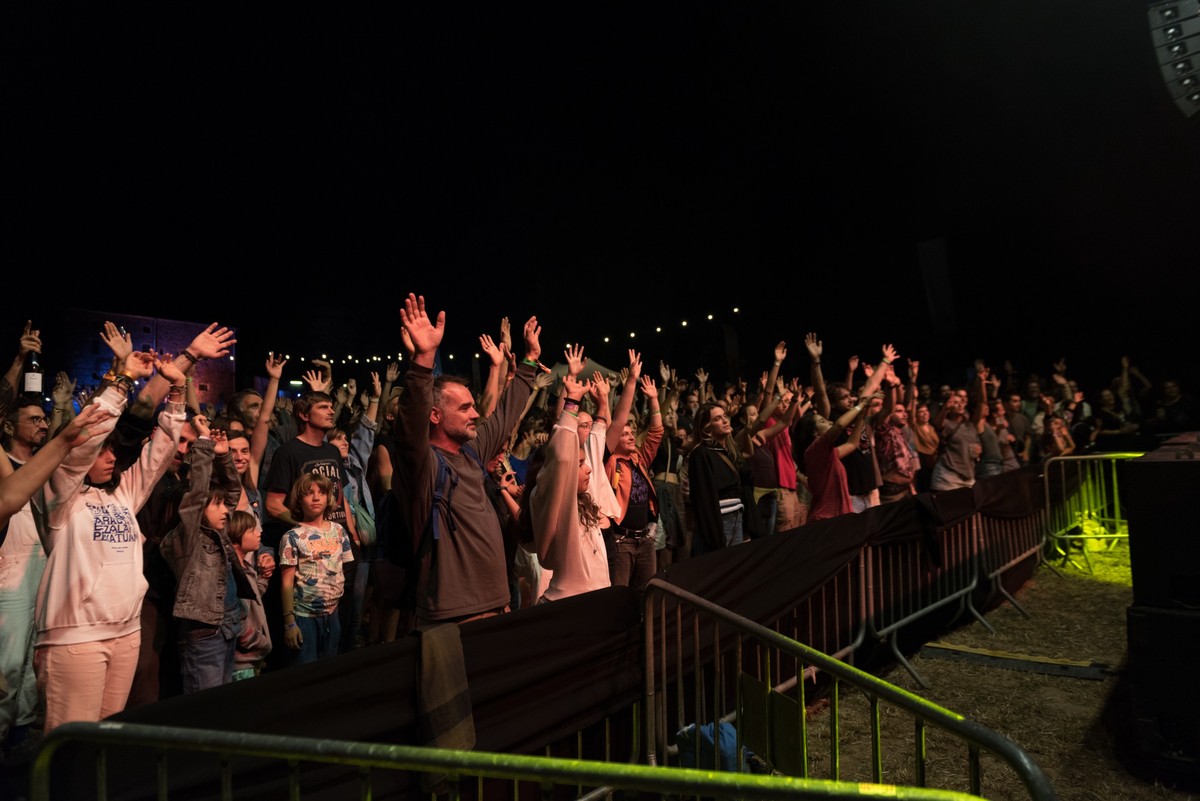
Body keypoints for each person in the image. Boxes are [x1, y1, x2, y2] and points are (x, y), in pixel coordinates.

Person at [34, 350, 187, 732]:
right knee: (70, 746)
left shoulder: (120, 497)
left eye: (111, 453)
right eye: (101, 452)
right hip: (76, 638)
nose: (109, 458)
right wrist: (121, 385)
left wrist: (178, 395)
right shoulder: (60, 500)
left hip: (125, 632)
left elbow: (157, 456)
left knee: (106, 743)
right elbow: (80, 447)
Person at [392, 293, 542, 626]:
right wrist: (423, 361)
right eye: (464, 408)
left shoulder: (472, 454)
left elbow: (504, 415)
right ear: (434, 415)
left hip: (497, 605)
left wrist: (530, 361)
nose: (476, 414)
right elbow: (408, 429)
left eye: (473, 406)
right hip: (454, 617)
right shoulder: (425, 465)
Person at [159, 422, 256, 692]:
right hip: (205, 634)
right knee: (205, 708)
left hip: (227, 626)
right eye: (218, 504)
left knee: (221, 703)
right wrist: (203, 445)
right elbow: (197, 495)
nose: (226, 510)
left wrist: (223, 455)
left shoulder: (218, 531)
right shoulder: (188, 539)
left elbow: (234, 492)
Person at [524, 374, 610, 602]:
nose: (589, 470)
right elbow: (561, 458)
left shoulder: (583, 499)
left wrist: (603, 405)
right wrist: (571, 402)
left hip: (598, 597)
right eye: (580, 464)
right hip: (571, 602)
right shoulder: (551, 499)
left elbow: (599, 440)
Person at [279, 472, 353, 665]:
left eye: (321, 492)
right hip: (305, 617)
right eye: (309, 493)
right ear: (299, 499)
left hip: (332, 614)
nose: (316, 497)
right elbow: (286, 584)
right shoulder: (293, 536)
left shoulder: (339, 531)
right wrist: (290, 623)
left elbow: (341, 570)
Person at [603, 370, 663, 589]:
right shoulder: (610, 461)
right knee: (619, 596)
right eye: (624, 433)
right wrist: (609, 396)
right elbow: (613, 426)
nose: (630, 436)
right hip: (622, 541)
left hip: (644, 540)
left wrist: (654, 399)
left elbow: (656, 433)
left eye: (632, 433)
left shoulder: (638, 458)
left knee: (647, 594)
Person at [229, 510, 272, 681]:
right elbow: (238, 622)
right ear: (236, 538)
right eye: (251, 530)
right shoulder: (233, 574)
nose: (258, 533)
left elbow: (254, 597)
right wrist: (263, 643)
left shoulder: (245, 568)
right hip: (241, 664)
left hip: (252, 660)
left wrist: (263, 577)